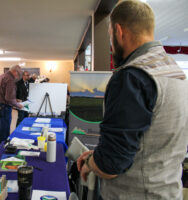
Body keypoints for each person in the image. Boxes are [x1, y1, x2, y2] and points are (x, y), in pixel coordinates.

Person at [77, 1, 188, 199]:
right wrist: (96, 157)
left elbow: (111, 164)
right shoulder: (177, 74)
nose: (111, 45)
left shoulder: (131, 78)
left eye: (110, 36)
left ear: (118, 31)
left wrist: (89, 163)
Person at [0, 65, 23, 146]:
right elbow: (9, 98)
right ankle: (2, 151)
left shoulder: (2, 76)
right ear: (15, 72)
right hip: (4, 108)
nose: (18, 77)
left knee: (1, 130)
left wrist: (15, 99)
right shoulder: (10, 79)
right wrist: (18, 105)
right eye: (19, 74)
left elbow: (2, 93)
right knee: (5, 132)